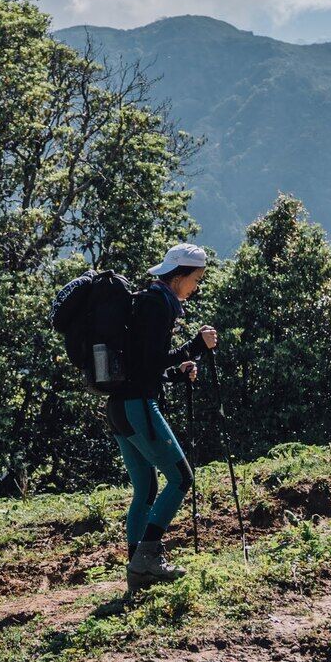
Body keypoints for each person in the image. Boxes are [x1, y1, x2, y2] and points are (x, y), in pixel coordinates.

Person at [111, 241, 219, 589]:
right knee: (181, 478)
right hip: (138, 406)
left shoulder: (146, 300)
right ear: (180, 275)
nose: (196, 287)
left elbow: (143, 365)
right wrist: (195, 347)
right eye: (196, 279)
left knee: (145, 487)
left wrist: (176, 371)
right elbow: (151, 361)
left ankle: (137, 569)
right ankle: (148, 558)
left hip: (118, 407)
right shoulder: (159, 305)